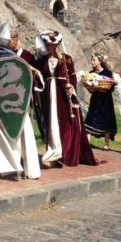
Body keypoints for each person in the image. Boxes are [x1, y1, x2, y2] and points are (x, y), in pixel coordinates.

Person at [0, 23, 40, 181]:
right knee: (21, 137)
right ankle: (20, 168)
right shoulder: (16, 62)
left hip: (2, 110)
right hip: (14, 109)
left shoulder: (6, 64)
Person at [35, 30, 97, 168]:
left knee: (65, 122)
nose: (47, 47)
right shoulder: (42, 60)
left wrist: (71, 88)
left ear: (56, 45)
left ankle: (64, 152)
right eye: (46, 44)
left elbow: (73, 77)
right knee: (52, 122)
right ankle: (54, 152)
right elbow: (37, 75)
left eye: (50, 45)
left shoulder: (66, 59)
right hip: (49, 95)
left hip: (62, 95)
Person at [82, 52, 118, 150]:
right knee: (89, 120)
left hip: (105, 101)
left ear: (100, 61)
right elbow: (90, 90)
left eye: (94, 60)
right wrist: (90, 87)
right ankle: (87, 144)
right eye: (92, 60)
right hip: (95, 100)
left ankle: (106, 144)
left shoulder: (107, 73)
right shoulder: (90, 74)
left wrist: (98, 87)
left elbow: (110, 88)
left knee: (106, 121)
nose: (92, 62)